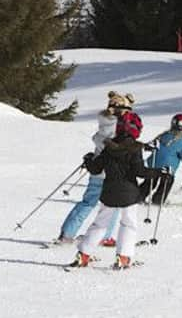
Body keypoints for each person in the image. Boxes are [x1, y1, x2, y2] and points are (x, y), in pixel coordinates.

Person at [67, 111, 169, 269]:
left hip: (108, 193)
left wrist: (88, 160)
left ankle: (84, 254)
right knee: (128, 224)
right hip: (129, 195)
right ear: (136, 129)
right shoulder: (135, 148)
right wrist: (160, 172)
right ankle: (123, 257)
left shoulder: (109, 146)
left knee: (100, 224)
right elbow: (140, 172)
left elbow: (95, 169)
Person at [56, 91, 135, 246]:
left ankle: (67, 234)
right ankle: (104, 236)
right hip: (112, 173)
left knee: (88, 203)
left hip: (97, 172)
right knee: (113, 206)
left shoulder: (104, 123)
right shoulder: (117, 128)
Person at [139, 113, 182, 204]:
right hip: (167, 170)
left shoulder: (162, 136)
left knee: (150, 182)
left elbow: (149, 146)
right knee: (166, 182)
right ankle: (158, 201)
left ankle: (138, 197)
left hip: (152, 166)